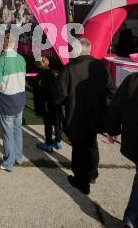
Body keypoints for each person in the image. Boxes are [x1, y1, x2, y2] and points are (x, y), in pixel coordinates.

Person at [54, 38, 115, 195]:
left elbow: (59, 95)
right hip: (96, 116)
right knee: (91, 144)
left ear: (77, 50)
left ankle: (82, 182)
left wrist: (56, 105)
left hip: (76, 115)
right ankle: (92, 174)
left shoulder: (69, 69)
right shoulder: (100, 67)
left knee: (80, 148)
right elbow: (111, 90)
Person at [106, 72, 138, 227]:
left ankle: (131, 221)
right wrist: (113, 130)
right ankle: (131, 221)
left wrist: (113, 130)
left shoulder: (132, 80)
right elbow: (116, 107)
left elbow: (115, 107)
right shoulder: (132, 80)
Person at [0, 34, 26, 172]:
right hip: (20, 99)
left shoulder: (0, 61)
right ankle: (18, 157)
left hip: (8, 101)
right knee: (17, 129)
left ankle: (8, 162)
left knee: (8, 133)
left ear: (3, 45)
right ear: (14, 44)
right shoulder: (21, 58)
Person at [34, 57, 63, 153]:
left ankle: (49, 144)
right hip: (57, 103)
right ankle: (58, 141)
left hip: (47, 104)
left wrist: (39, 108)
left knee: (48, 124)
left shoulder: (40, 77)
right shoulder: (54, 73)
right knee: (57, 122)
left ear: (39, 65)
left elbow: (39, 93)